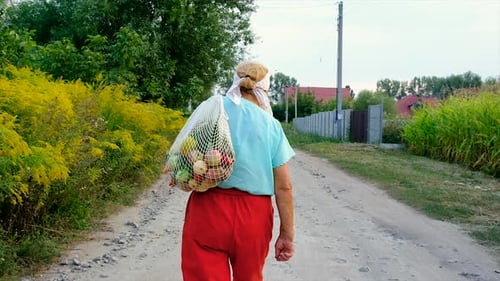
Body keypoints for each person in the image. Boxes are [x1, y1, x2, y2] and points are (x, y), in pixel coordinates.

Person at [179, 61, 295, 281]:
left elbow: (187, 157)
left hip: (208, 209)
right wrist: (287, 234)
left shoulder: (212, 111)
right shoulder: (271, 125)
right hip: (253, 216)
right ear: (265, 90)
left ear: (235, 82)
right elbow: (284, 186)